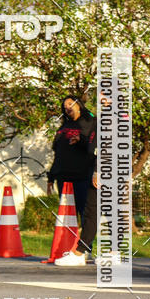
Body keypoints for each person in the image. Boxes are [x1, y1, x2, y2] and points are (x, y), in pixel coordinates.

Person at [46, 95, 98, 266]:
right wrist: (51, 177)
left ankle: (84, 250)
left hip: (83, 175)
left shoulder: (90, 122)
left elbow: (93, 147)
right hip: (63, 177)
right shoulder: (64, 127)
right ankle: (69, 250)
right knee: (68, 216)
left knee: (87, 214)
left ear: (79, 105)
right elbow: (58, 153)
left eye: (71, 103)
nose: (67, 106)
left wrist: (80, 141)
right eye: (65, 105)